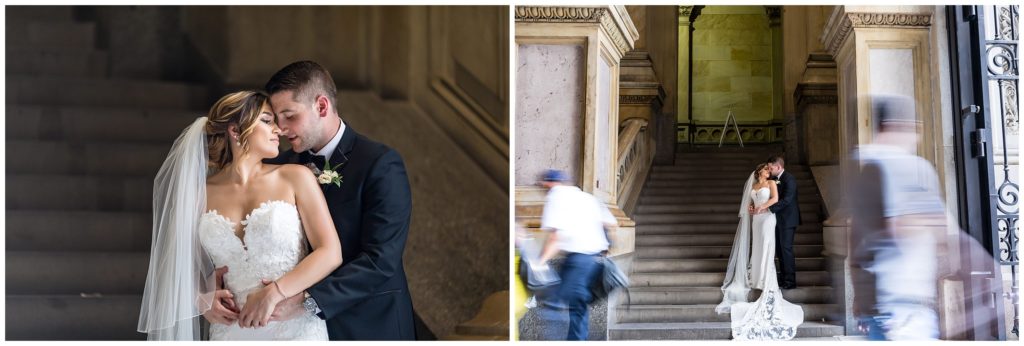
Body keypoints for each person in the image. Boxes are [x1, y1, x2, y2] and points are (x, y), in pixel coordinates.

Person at [137, 90, 343, 340]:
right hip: (230, 330)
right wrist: (203, 300)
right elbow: (176, 264)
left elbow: (330, 252)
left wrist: (275, 292)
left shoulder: (295, 177)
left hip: (294, 326)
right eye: (267, 121)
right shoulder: (199, 195)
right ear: (235, 131)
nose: (278, 130)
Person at [261, 60, 417, 340]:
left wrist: (307, 301)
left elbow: (380, 260)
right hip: (296, 332)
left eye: (289, 116)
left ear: (321, 106)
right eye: (275, 118)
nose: (281, 129)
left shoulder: (380, 164)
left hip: (370, 325)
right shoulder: (279, 167)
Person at [849, 94, 945, 340]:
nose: (917, 135)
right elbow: (899, 227)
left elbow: (854, 240)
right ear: (894, 126)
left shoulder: (865, 168)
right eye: (913, 127)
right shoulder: (906, 167)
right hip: (902, 305)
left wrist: (859, 297)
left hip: (883, 302)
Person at [717, 163, 804, 340]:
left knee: (766, 245)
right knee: (757, 246)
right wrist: (751, 208)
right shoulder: (754, 185)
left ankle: (766, 277)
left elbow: (775, 199)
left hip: (767, 218)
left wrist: (761, 208)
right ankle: (756, 276)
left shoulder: (772, 183)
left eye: (769, 168)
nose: (768, 171)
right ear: (759, 172)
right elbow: (750, 202)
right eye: (766, 169)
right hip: (756, 219)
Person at [535, 169, 615, 340]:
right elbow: (609, 223)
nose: (542, 187)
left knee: (553, 304)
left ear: (549, 183)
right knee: (577, 305)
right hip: (592, 259)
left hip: (577, 260)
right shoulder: (588, 197)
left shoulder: (555, 196)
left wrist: (539, 262)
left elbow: (555, 238)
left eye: (543, 184)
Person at [765, 154, 801, 289]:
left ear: (778, 167)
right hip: (777, 220)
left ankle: (790, 281)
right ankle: (782, 278)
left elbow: (787, 200)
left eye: (770, 168)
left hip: (788, 220)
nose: (769, 170)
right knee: (779, 251)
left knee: (786, 250)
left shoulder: (789, 179)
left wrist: (769, 208)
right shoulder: (775, 179)